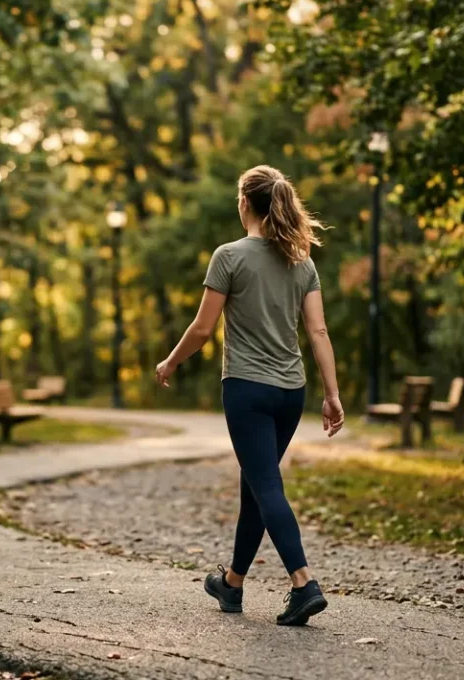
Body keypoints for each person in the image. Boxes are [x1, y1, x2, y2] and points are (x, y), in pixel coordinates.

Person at [154, 164, 344, 626]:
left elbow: (202, 328)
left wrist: (171, 361)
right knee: (255, 486)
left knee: (265, 485)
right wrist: (332, 394)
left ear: (245, 203)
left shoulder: (229, 256)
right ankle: (233, 584)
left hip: (247, 389)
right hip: (291, 392)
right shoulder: (302, 260)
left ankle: (304, 584)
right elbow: (317, 331)